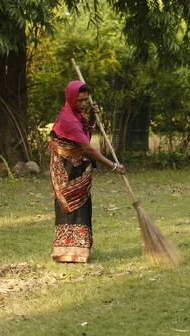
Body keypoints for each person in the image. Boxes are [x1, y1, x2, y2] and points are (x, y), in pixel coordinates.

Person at [48, 80, 125, 263]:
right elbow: (88, 148)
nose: (83, 104)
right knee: (70, 207)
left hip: (77, 167)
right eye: (79, 100)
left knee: (82, 207)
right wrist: (113, 165)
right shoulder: (68, 119)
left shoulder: (76, 115)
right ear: (70, 98)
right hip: (66, 170)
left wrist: (90, 118)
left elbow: (85, 133)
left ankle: (80, 250)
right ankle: (67, 252)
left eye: (85, 100)